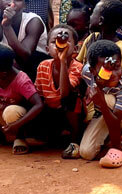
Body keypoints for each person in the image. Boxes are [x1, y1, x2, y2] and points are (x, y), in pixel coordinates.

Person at [76, 39, 122, 168]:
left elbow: (116, 120)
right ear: (93, 70)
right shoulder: (87, 73)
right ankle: (117, 135)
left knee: (106, 99)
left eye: (117, 67)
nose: (114, 74)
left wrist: (102, 103)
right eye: (106, 69)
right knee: (86, 153)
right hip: (103, 110)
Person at [34, 24, 85, 154]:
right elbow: (38, 95)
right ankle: (53, 135)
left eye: (67, 40)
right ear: (46, 49)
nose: (60, 44)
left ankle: (75, 140)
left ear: (75, 48)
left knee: (71, 100)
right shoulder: (43, 66)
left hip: (72, 114)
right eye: (54, 42)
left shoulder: (78, 67)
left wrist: (63, 62)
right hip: (52, 112)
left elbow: (65, 93)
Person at [0, 0, 48, 77]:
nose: (11, 3)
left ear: (25, 4)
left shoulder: (33, 21)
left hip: (35, 72)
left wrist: (7, 26)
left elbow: (25, 55)